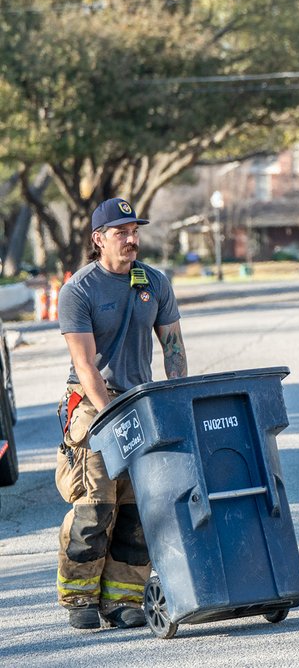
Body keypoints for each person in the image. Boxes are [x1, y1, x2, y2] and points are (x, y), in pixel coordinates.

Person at [55, 197, 187, 631]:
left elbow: (172, 345)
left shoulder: (153, 281)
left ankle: (123, 598)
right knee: (96, 506)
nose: (132, 239)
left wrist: (174, 395)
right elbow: (85, 365)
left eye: (135, 231)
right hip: (95, 405)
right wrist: (111, 416)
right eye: (121, 233)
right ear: (99, 239)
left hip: (142, 401)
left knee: (138, 506)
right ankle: (80, 597)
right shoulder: (79, 290)